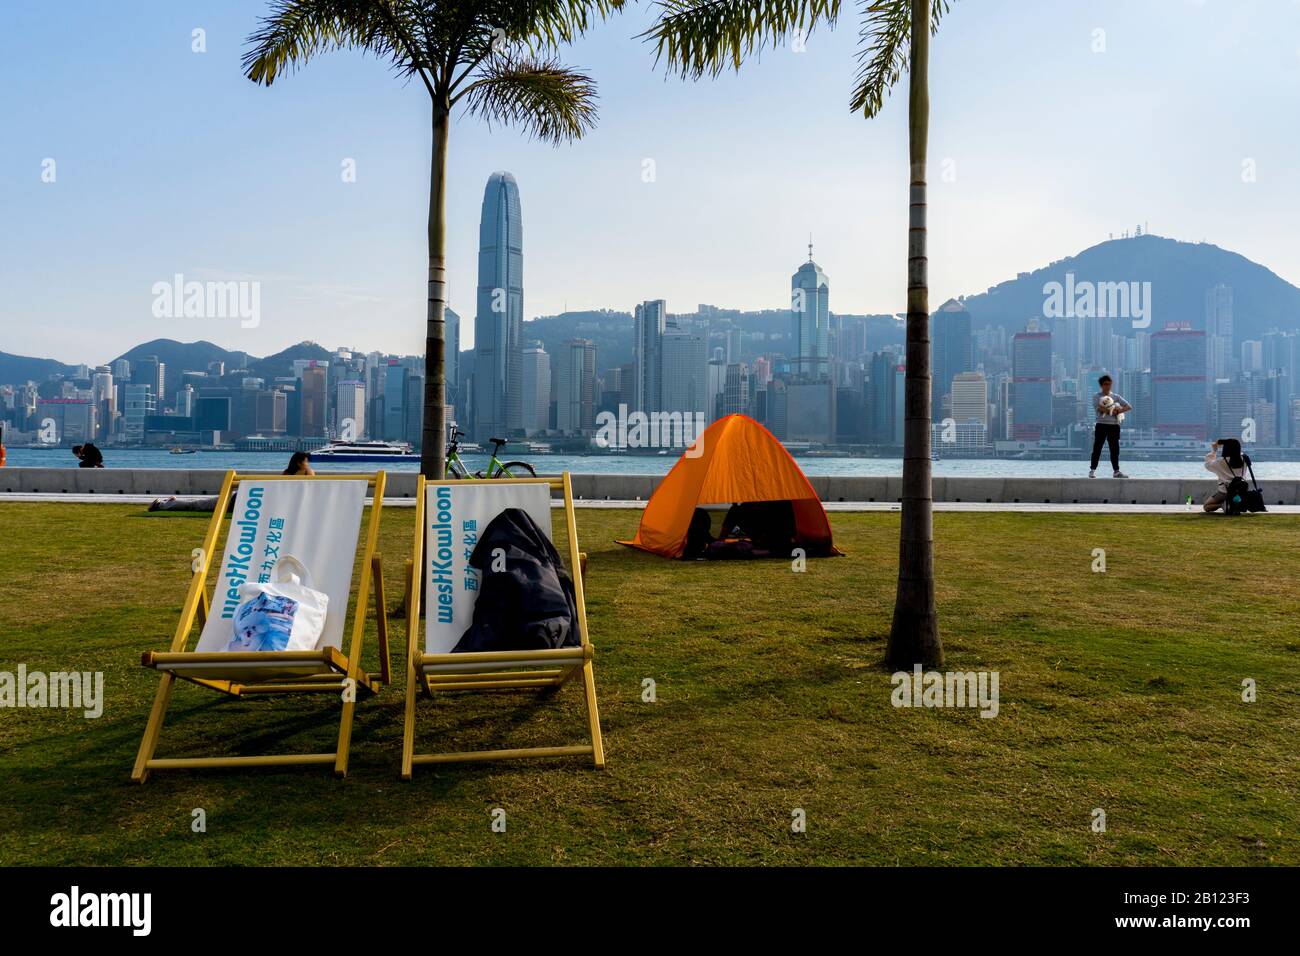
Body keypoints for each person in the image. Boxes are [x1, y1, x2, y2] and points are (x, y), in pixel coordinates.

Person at [1088, 375, 1132, 478]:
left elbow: (1129, 406)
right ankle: (1092, 470)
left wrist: (1119, 410)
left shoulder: (1116, 396)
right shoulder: (1096, 396)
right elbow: (1101, 409)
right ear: (1101, 385)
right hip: (1101, 425)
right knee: (1097, 448)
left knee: (1115, 449)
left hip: (1114, 426)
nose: (1108, 386)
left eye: (1109, 384)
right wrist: (1114, 411)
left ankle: (1116, 471)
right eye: (1105, 384)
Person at [1202, 438, 1248, 513]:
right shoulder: (1244, 459)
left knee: (1206, 507)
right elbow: (1238, 452)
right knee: (1235, 498)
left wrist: (1214, 450)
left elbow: (1208, 465)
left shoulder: (1220, 462)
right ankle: (1234, 504)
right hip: (1241, 491)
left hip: (1224, 492)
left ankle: (1223, 505)